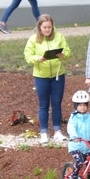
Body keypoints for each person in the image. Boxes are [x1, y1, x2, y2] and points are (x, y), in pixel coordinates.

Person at [23, 14, 70, 144]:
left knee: (56, 103)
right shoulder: (33, 39)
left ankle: (57, 131)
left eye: (49, 27)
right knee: (43, 105)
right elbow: (28, 56)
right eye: (44, 27)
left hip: (58, 75)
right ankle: (43, 132)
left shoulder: (59, 37)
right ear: (39, 27)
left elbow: (67, 53)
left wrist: (62, 55)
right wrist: (38, 59)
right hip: (41, 76)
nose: (47, 30)